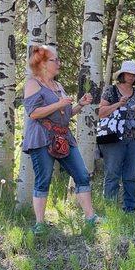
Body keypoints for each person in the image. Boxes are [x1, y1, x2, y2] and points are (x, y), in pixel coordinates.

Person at [22, 45, 100, 234]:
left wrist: (79, 105)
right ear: (41, 63)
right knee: (43, 179)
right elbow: (33, 113)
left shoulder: (58, 86)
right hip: (42, 137)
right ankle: (40, 224)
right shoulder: (33, 84)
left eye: (58, 60)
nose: (59, 63)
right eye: (54, 60)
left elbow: (65, 115)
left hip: (64, 136)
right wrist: (58, 103)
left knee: (82, 175)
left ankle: (91, 218)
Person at [98, 61, 135, 212]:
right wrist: (118, 104)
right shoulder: (111, 91)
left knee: (131, 176)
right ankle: (110, 211)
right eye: (128, 73)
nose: (131, 76)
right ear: (122, 74)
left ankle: (130, 210)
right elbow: (101, 113)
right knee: (112, 173)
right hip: (114, 138)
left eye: (134, 74)